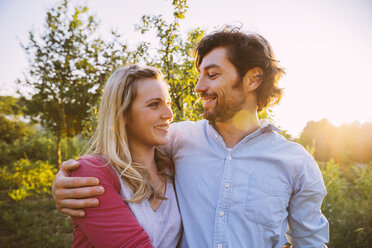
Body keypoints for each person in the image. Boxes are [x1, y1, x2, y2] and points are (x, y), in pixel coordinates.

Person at [53, 27, 329, 248]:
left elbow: (310, 241)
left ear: (253, 79)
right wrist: (65, 181)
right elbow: (120, 149)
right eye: (199, 76)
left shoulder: (297, 163)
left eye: (212, 75)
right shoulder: (177, 138)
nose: (199, 87)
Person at [63, 64, 181, 247]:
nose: (169, 114)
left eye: (168, 103)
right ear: (123, 113)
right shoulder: (93, 173)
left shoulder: (173, 167)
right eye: (154, 105)